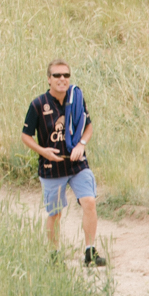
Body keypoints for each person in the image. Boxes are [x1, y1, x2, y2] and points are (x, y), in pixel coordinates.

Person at [21, 59, 106, 266]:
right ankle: (54, 255)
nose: (62, 79)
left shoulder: (76, 98)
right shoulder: (38, 104)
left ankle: (90, 252)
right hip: (52, 167)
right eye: (57, 75)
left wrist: (82, 145)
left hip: (77, 164)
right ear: (49, 79)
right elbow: (26, 135)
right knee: (55, 213)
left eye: (66, 75)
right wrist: (43, 152)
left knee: (89, 202)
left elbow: (88, 126)